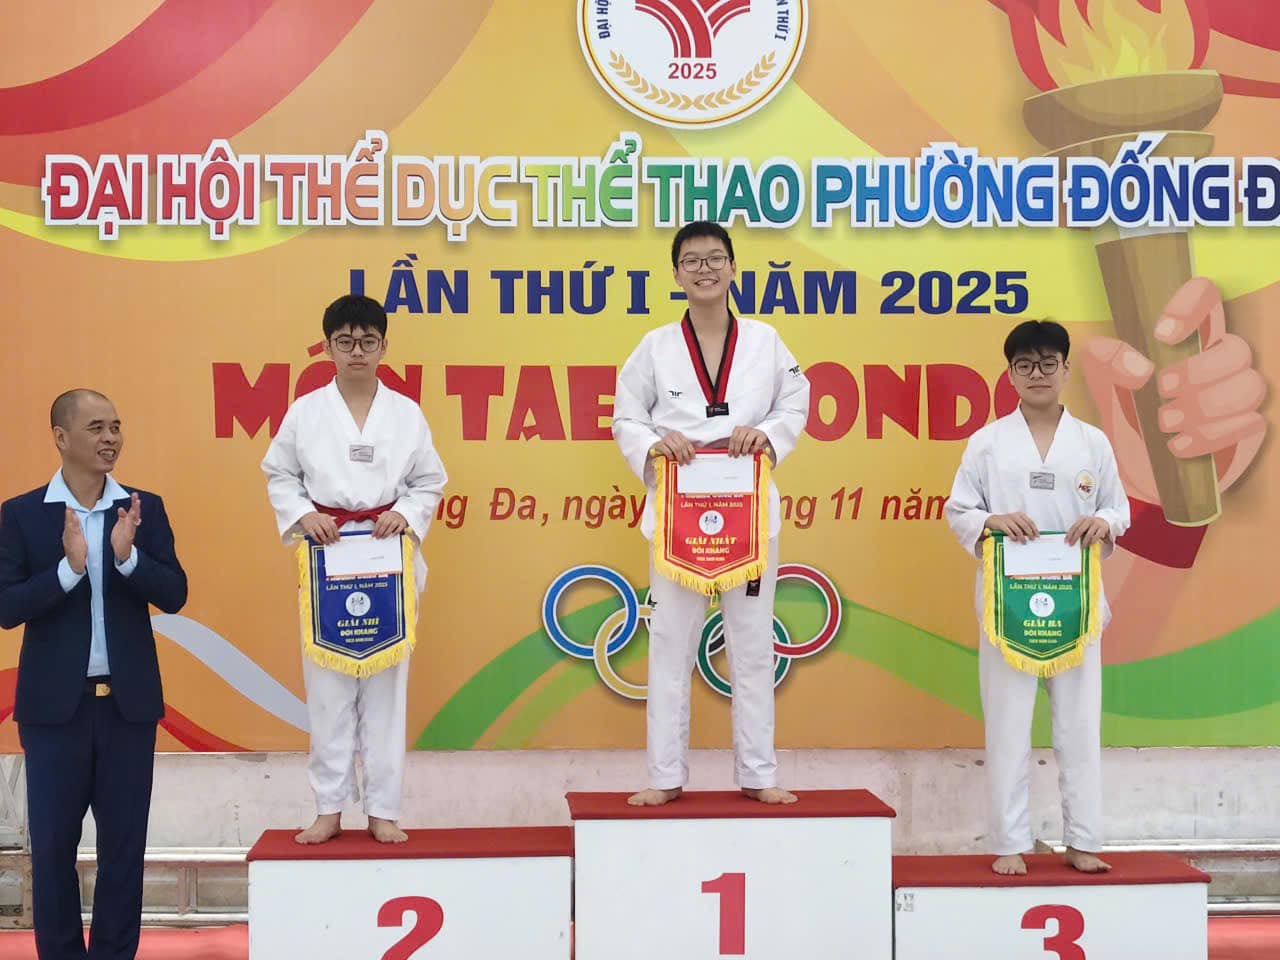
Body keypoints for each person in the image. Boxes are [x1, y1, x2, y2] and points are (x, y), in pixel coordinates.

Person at [612, 221, 811, 807]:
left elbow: (794, 402)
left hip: (746, 509)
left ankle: (758, 773)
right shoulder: (654, 346)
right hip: (680, 511)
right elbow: (626, 417)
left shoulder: (767, 341)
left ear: (733, 267)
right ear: (676, 273)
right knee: (670, 643)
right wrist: (654, 444)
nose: (705, 269)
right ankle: (664, 776)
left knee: (752, 644)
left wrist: (767, 433)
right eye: (692, 260)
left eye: (715, 258)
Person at [0, 389, 187, 960]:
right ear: (61, 437)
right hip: (55, 713)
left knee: (124, 851)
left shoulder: (141, 509)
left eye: (116, 426)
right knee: (53, 850)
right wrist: (68, 570)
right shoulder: (22, 514)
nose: (110, 439)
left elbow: (175, 593)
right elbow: (7, 607)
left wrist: (128, 558)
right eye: (96, 427)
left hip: (128, 709)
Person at [945, 320, 1130, 875]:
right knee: (1006, 725)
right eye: (1025, 364)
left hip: (1075, 602)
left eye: (1048, 362)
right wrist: (991, 521)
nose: (1038, 373)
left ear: (1066, 369)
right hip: (1008, 602)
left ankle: (1083, 840)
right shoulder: (988, 442)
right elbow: (960, 509)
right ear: (1010, 374)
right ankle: (1009, 842)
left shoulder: (1092, 442)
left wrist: (1102, 522)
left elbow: (1118, 508)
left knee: (1079, 725)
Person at [262, 294, 446, 844]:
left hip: (386, 557)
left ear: (384, 346)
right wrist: (304, 515)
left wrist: (405, 513)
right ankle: (329, 808)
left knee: (388, 692)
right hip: (330, 554)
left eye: (367, 341)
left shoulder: (406, 413)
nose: (357, 351)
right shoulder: (305, 412)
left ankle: (384, 809)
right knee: (328, 691)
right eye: (345, 342)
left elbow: (429, 481)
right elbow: (279, 474)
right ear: (328, 348)